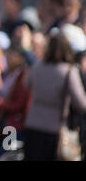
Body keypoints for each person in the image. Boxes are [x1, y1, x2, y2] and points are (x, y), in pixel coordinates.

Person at [24, 32, 86, 161]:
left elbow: (26, 84)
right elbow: (80, 103)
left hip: (33, 123)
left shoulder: (37, 66)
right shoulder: (68, 71)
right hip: (54, 128)